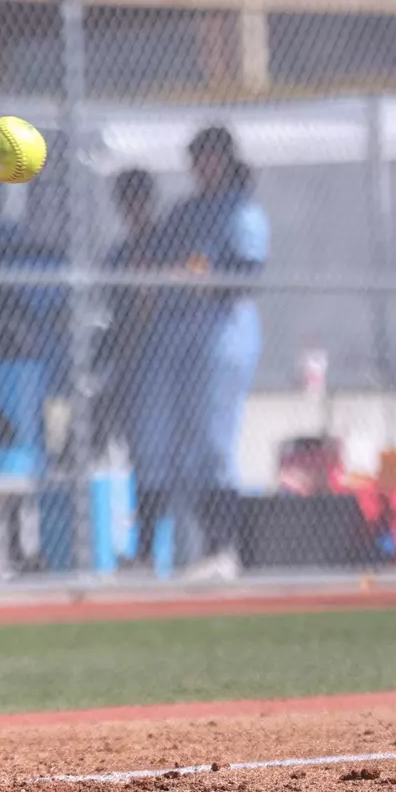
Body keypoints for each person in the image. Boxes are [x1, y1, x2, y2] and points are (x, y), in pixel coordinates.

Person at [140, 126, 268, 579]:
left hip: (221, 333)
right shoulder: (185, 210)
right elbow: (154, 256)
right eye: (197, 158)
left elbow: (245, 274)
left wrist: (201, 279)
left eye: (209, 157)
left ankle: (222, 549)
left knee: (213, 442)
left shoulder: (242, 210)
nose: (202, 167)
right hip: (176, 335)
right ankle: (145, 554)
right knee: (162, 443)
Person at [97, 168, 165, 568]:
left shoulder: (167, 247)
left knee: (165, 458)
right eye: (126, 204)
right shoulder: (119, 256)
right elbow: (115, 317)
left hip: (166, 365)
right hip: (131, 367)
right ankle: (144, 549)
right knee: (141, 458)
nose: (132, 211)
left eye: (138, 202)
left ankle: (165, 546)